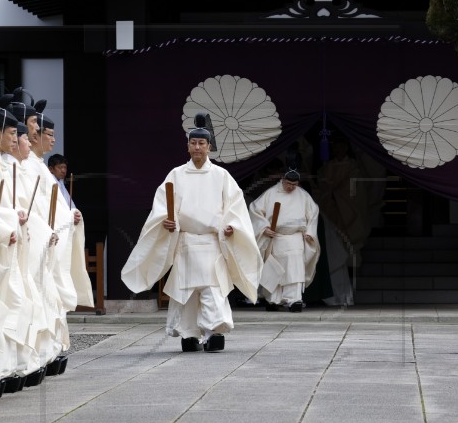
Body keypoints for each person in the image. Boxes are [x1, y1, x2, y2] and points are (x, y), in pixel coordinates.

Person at [121, 118, 262, 352]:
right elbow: (162, 208)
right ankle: (189, 333)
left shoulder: (221, 176)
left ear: (209, 147)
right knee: (185, 292)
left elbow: (235, 208)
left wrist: (230, 227)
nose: (197, 147)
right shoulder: (176, 175)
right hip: (185, 241)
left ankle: (214, 331)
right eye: (193, 143)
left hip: (211, 242)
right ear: (187, 146)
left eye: (202, 143)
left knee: (211, 288)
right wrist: (167, 222)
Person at [249, 168, 320, 312]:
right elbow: (255, 209)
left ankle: (294, 300)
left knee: (295, 269)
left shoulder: (303, 195)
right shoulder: (271, 193)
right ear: (282, 180)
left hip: (295, 237)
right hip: (277, 237)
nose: (290, 187)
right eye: (288, 184)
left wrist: (310, 232)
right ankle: (273, 300)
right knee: (275, 269)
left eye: (294, 185)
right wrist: (263, 228)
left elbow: (313, 213)